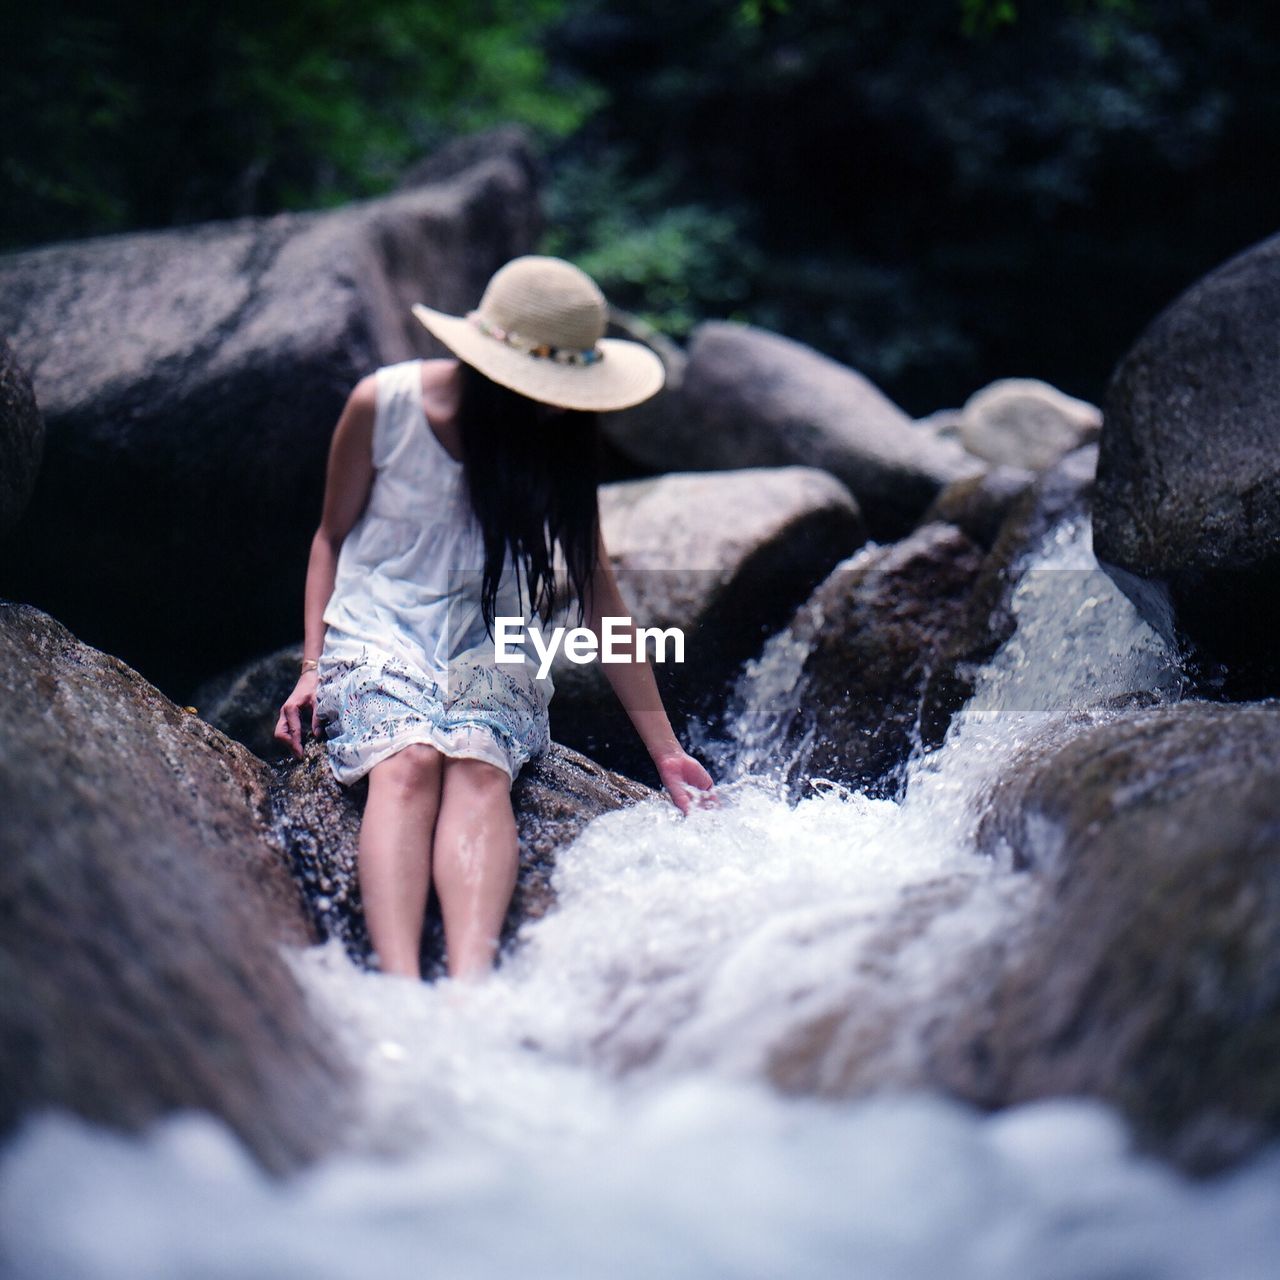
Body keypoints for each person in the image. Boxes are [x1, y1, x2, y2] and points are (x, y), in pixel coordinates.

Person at [275, 255, 715, 982]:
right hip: (378, 624)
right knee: (408, 760)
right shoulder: (382, 405)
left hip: (493, 641)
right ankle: (401, 984)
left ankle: (468, 994)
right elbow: (329, 537)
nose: (549, 406)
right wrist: (311, 669)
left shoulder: (556, 444)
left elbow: (602, 598)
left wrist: (666, 752)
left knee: (479, 763)